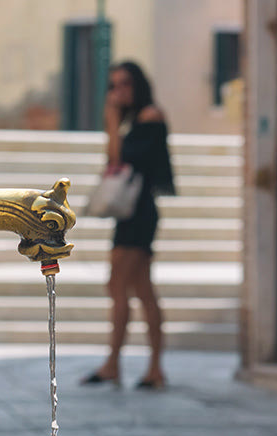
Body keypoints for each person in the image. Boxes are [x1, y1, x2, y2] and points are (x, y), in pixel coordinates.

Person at [81, 61, 175, 390]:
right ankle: (152, 368)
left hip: (140, 212)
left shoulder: (150, 117)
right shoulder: (136, 120)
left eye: (125, 85)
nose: (118, 92)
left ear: (138, 86)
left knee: (118, 285)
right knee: (143, 289)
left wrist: (110, 123)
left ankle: (115, 364)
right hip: (134, 212)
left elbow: (119, 161)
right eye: (113, 86)